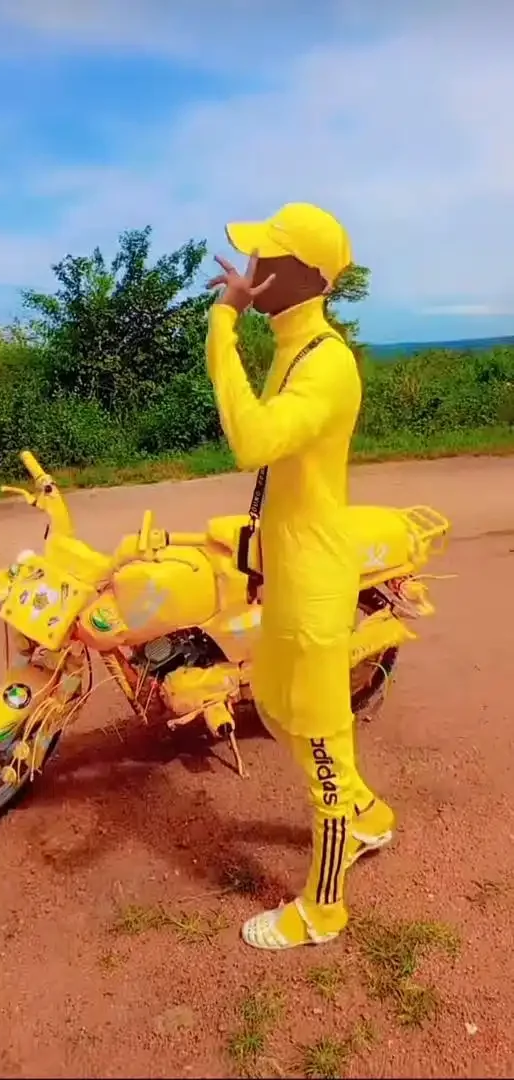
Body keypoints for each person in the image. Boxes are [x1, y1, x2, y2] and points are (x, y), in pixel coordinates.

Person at [205, 202, 394, 951]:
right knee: (275, 705)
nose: (251, 268)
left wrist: (224, 323)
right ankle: (369, 817)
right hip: (290, 568)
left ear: (300, 275)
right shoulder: (296, 342)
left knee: (319, 741)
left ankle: (324, 909)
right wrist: (249, 320)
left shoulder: (326, 365)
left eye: (264, 258)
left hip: (315, 583)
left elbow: (250, 440)